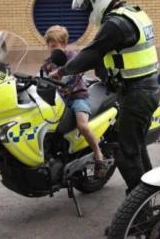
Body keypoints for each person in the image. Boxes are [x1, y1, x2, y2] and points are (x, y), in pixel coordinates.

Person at [49, 0, 160, 195]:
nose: (88, 11)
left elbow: (92, 53)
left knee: (126, 154)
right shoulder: (134, 14)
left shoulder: (116, 24)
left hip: (137, 95)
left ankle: (140, 210)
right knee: (136, 148)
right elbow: (112, 56)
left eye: (89, 5)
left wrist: (61, 72)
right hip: (141, 90)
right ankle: (149, 198)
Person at [41, 25, 110, 178]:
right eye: (49, 46)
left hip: (77, 97)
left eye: (55, 46)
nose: (51, 49)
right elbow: (42, 76)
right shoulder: (48, 62)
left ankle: (99, 156)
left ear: (64, 44)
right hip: (59, 100)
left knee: (82, 125)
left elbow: (71, 75)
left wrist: (58, 75)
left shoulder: (73, 57)